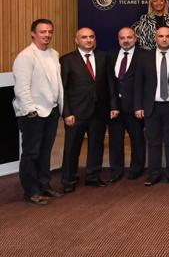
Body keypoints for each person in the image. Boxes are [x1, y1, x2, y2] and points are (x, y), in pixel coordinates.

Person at [59, 27, 117, 191]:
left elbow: (110, 83)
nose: (88, 40)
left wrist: (113, 106)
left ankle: (92, 176)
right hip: (76, 113)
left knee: (96, 146)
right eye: (84, 37)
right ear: (76, 40)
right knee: (72, 148)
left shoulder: (103, 57)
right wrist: (66, 113)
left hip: (99, 111)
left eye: (91, 37)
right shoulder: (67, 60)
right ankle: (68, 180)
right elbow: (63, 89)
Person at [13, 19, 64, 205]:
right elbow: (22, 87)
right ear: (33, 34)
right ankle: (31, 191)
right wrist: (30, 111)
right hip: (32, 114)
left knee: (45, 152)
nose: (47, 35)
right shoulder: (25, 57)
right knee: (31, 154)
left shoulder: (53, 54)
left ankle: (44, 185)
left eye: (50, 31)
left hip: (51, 111)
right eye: (43, 32)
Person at [136, 26, 169, 186]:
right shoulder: (144, 57)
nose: (164, 39)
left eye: (167, 36)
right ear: (156, 38)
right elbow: (139, 83)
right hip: (151, 106)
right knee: (153, 141)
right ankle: (153, 174)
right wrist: (138, 106)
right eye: (161, 36)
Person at [108, 27, 146, 181]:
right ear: (118, 40)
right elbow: (109, 82)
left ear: (135, 39)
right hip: (115, 108)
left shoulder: (144, 56)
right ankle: (116, 170)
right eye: (122, 38)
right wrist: (112, 105)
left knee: (137, 140)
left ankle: (136, 169)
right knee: (115, 140)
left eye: (129, 37)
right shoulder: (110, 56)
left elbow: (147, 83)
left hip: (135, 107)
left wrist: (140, 105)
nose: (126, 41)